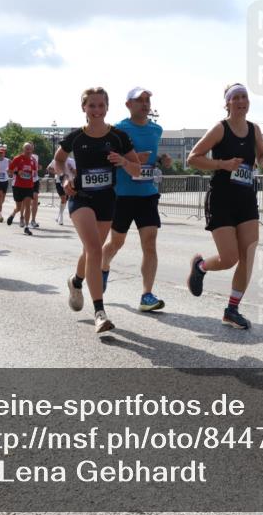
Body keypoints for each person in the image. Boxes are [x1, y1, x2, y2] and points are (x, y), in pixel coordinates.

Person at [185, 83, 263, 330]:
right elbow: (193, 158)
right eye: (236, 97)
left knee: (248, 255)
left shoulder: (254, 129)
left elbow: (261, 162)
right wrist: (222, 164)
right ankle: (201, 267)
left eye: (244, 96)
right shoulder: (220, 128)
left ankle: (232, 310)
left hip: (245, 197)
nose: (241, 101)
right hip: (221, 197)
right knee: (229, 258)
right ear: (227, 103)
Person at [56, 87, 140, 333]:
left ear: (107, 107)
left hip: (107, 200)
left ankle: (76, 281)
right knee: (94, 249)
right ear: (84, 108)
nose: (96, 110)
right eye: (91, 105)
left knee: (90, 252)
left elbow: (136, 169)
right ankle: (100, 312)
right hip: (81, 198)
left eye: (100, 105)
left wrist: (123, 161)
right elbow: (58, 160)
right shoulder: (75, 138)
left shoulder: (118, 137)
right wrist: (64, 179)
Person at [100, 88, 172, 313]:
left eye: (147, 99)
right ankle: (102, 267)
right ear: (128, 104)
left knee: (149, 243)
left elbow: (152, 156)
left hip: (147, 194)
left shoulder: (156, 129)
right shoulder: (119, 129)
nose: (144, 103)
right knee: (116, 243)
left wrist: (162, 159)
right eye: (139, 100)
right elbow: (107, 158)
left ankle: (146, 295)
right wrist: (124, 160)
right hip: (122, 194)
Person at [7, 142, 39, 235]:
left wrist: (31, 174)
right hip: (18, 186)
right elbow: (9, 171)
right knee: (19, 207)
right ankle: (13, 215)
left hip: (29, 186)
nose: (28, 151)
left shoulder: (33, 160)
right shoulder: (17, 159)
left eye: (30, 149)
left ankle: (26, 226)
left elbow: (34, 172)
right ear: (23, 150)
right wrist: (17, 173)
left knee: (28, 206)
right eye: (27, 149)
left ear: (32, 150)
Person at [48, 156, 76, 225]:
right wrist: (57, 172)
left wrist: (71, 168)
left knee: (65, 200)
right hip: (59, 182)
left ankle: (59, 215)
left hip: (69, 182)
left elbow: (76, 172)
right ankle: (61, 217)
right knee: (63, 198)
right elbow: (49, 168)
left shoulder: (71, 161)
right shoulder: (56, 160)